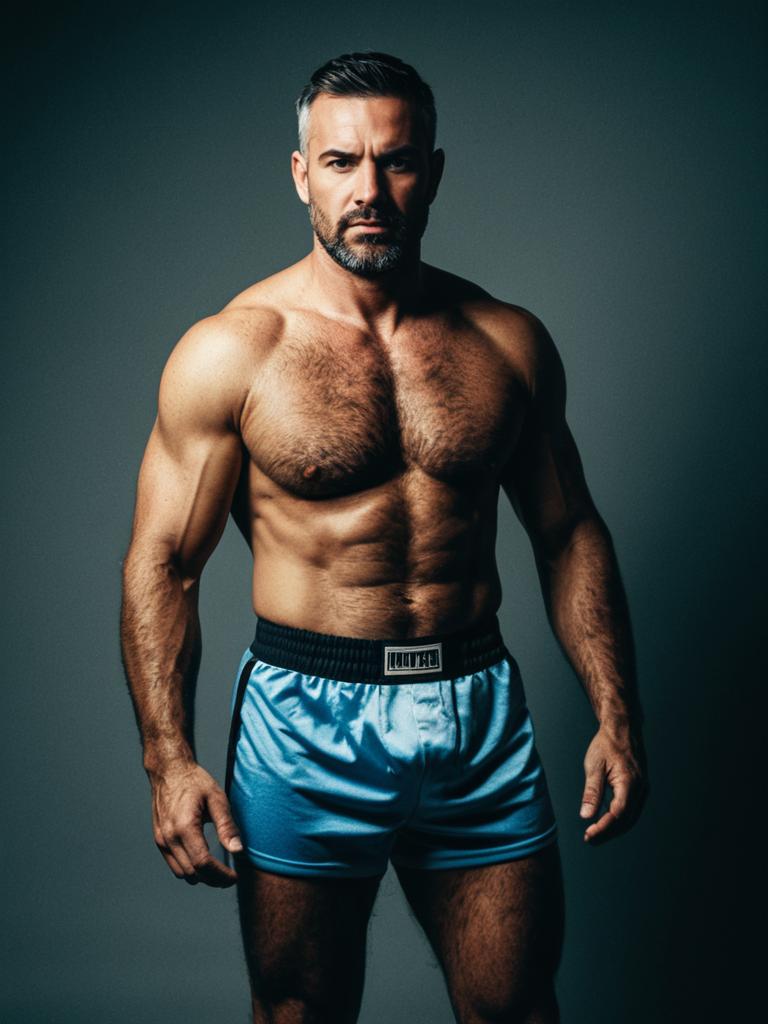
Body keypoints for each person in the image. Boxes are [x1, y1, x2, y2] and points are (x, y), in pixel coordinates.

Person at [120, 51, 648, 1024]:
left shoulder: (505, 341)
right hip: (307, 716)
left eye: (397, 161)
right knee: (300, 1012)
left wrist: (617, 712)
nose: (371, 190)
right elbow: (166, 562)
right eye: (341, 161)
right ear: (299, 173)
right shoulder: (232, 350)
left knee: (518, 1006)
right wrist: (168, 758)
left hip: (476, 708)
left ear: (433, 173)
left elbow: (570, 532)